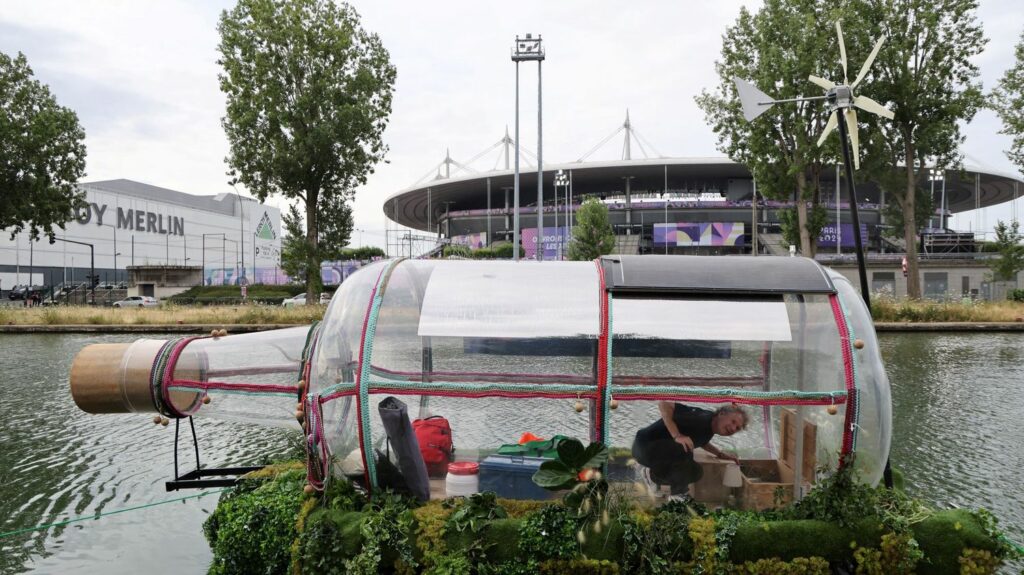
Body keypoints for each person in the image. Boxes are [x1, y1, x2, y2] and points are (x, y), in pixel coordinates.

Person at [632, 402, 748, 500]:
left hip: (656, 450)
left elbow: (702, 441)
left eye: (737, 428)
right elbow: (664, 403)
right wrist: (677, 435)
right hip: (644, 446)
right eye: (733, 421)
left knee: (696, 471)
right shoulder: (700, 418)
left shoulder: (709, 426)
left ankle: (651, 474)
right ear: (722, 414)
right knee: (684, 449)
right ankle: (678, 494)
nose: (733, 429)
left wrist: (720, 454)